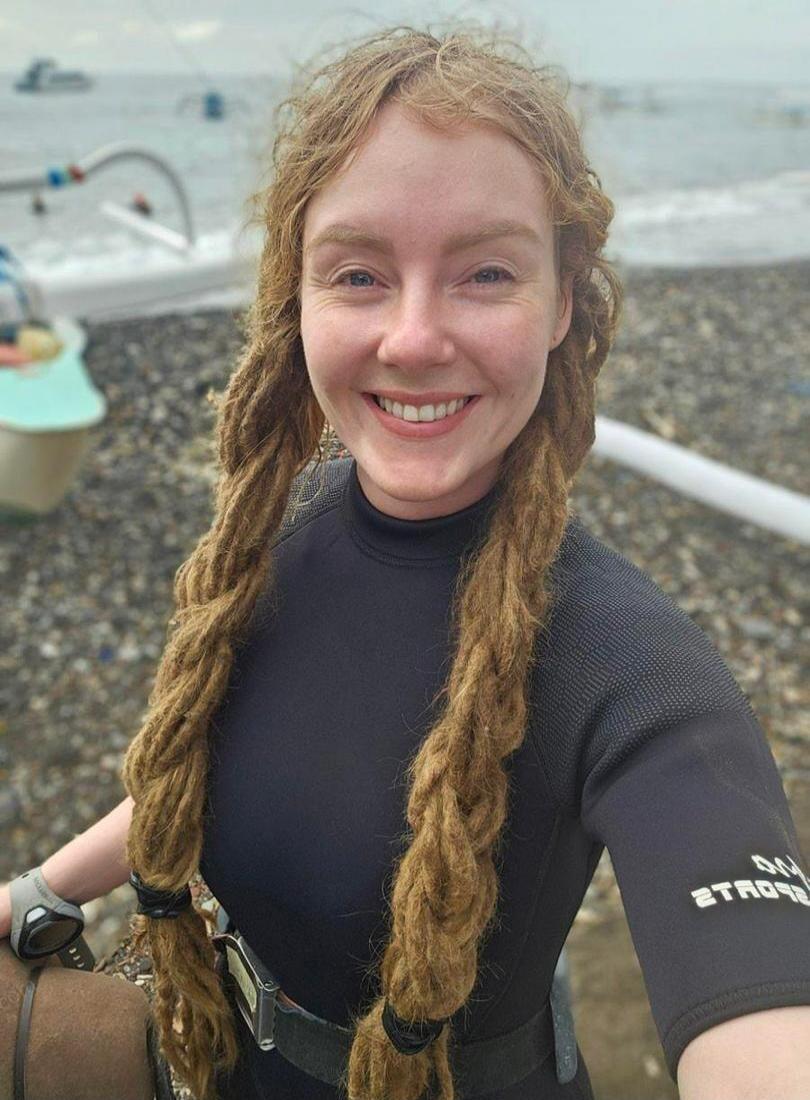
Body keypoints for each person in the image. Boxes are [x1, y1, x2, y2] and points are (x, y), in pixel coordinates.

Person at [2, 22, 810, 1100]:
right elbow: (221, 762)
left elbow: (758, 1007)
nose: (415, 338)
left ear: (564, 303)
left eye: (486, 271)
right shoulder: (274, 538)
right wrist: (44, 888)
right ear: (296, 300)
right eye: (359, 274)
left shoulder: (637, 671)